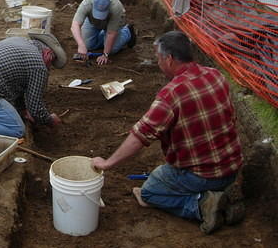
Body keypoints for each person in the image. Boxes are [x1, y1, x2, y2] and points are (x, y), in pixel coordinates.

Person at [91, 31, 244, 234]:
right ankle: (224, 198)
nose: (158, 62)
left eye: (158, 58)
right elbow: (231, 119)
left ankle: (201, 205)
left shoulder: (172, 94)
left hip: (201, 175)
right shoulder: (215, 75)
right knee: (165, 173)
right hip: (232, 168)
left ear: (170, 59)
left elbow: (141, 135)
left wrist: (107, 163)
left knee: (148, 193)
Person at [70, 0, 136, 65]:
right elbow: (75, 25)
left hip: (111, 22)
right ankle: (104, 36)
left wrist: (105, 54)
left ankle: (127, 32)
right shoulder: (87, 3)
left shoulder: (116, 7)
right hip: (92, 21)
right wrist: (81, 45)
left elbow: (111, 33)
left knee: (112, 50)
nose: (100, 17)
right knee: (87, 45)